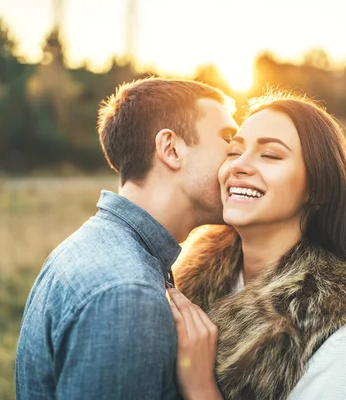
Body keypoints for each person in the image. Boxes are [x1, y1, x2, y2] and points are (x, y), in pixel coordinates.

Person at [15, 77, 238, 399]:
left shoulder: (96, 247)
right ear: (171, 149)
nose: (238, 160)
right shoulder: (126, 295)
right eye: (228, 141)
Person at [170, 92, 346, 400]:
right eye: (234, 152)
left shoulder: (339, 336)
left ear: (317, 187)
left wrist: (200, 387)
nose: (239, 166)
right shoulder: (186, 278)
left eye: (271, 155)